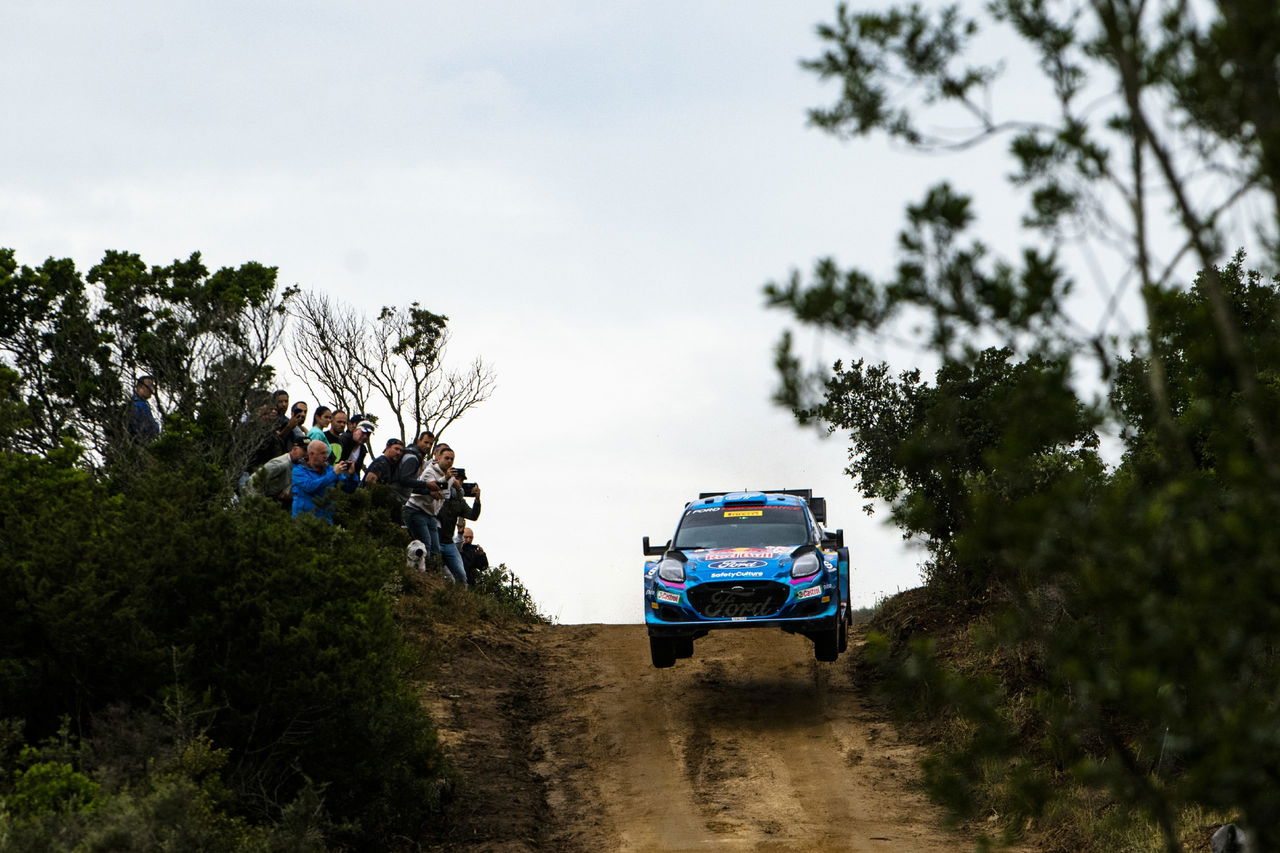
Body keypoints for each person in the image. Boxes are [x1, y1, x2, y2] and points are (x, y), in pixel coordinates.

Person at [402, 443, 453, 567]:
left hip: (431, 515)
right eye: (446, 458)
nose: (449, 461)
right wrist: (444, 480)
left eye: (452, 459)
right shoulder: (429, 471)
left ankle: (431, 573)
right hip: (416, 510)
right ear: (438, 458)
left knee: (436, 548)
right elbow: (433, 489)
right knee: (426, 544)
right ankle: (419, 572)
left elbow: (443, 495)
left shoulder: (450, 477)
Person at [436, 466, 480, 586]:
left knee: (461, 576)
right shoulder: (439, 493)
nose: (460, 483)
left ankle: (461, 601)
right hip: (436, 538)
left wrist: (477, 499)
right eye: (458, 479)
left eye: (462, 481)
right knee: (434, 569)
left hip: (448, 542)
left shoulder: (459, 501)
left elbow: (473, 515)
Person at [292, 439, 354, 523]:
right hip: (304, 520)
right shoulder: (298, 470)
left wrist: (351, 475)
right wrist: (333, 474)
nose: (326, 456)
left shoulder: (330, 470)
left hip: (325, 521)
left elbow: (349, 489)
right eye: (322, 453)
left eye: (326, 453)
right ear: (311, 454)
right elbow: (309, 487)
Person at [248, 435, 307, 510]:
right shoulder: (281, 464)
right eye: (304, 450)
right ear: (294, 449)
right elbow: (253, 481)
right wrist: (259, 505)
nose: (307, 454)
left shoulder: (298, 465)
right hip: (261, 501)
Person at [391, 430, 435, 505]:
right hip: (394, 498)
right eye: (426, 442)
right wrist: (426, 484)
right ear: (418, 441)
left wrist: (428, 491)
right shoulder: (413, 458)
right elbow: (405, 480)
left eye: (431, 444)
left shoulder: (414, 456)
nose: (428, 446)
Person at [127, 375, 159, 441]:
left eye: (152, 386)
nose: (151, 389)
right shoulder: (140, 405)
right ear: (139, 388)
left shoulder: (131, 404)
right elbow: (150, 429)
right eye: (148, 386)